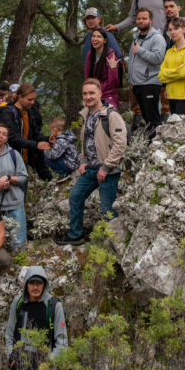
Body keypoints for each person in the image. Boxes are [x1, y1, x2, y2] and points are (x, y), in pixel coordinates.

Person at [55, 80, 128, 246]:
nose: (88, 97)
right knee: (74, 197)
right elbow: (85, 142)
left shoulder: (111, 115)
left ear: (100, 94)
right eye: (85, 94)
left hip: (108, 171)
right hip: (90, 169)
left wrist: (106, 167)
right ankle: (75, 235)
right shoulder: (86, 115)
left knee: (108, 211)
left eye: (91, 93)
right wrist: (82, 160)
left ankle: (115, 245)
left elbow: (120, 144)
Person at [0, 83, 54, 182]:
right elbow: (13, 138)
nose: (33, 102)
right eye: (29, 100)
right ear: (20, 97)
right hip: (8, 161)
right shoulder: (8, 113)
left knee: (21, 194)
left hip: (23, 161)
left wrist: (47, 139)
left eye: (33, 99)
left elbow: (35, 134)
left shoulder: (28, 112)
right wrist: (36, 145)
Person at [128, 7, 167, 134]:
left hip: (150, 83)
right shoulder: (136, 38)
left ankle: (157, 147)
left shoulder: (157, 38)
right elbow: (132, 61)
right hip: (137, 84)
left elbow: (157, 58)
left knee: (153, 119)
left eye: (144, 18)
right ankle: (151, 146)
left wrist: (139, 50)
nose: (140, 21)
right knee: (147, 118)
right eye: (138, 18)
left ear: (151, 20)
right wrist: (130, 78)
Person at [158, 18, 185, 116]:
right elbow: (160, 76)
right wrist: (176, 71)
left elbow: (182, 72)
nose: (172, 32)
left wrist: (167, 72)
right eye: (170, 29)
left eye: (176, 28)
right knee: (174, 128)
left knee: (182, 129)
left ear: (184, 29)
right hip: (171, 95)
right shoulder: (169, 51)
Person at [84, 28, 122, 108]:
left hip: (108, 96)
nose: (95, 39)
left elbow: (114, 84)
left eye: (99, 37)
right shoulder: (90, 54)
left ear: (105, 40)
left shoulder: (110, 57)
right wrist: (86, 97)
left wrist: (113, 69)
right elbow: (87, 77)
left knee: (105, 115)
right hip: (93, 95)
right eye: (93, 36)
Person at [159, 0, 182, 117]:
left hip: (184, 75)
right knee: (168, 110)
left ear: (178, 7)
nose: (169, 9)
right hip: (168, 74)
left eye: (171, 6)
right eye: (166, 7)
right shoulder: (163, 29)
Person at [45, 116, 79, 184]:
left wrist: (45, 149)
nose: (51, 132)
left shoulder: (60, 140)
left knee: (48, 159)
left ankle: (64, 173)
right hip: (75, 163)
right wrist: (54, 143)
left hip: (70, 166)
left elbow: (53, 155)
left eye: (51, 130)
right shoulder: (67, 137)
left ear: (54, 130)